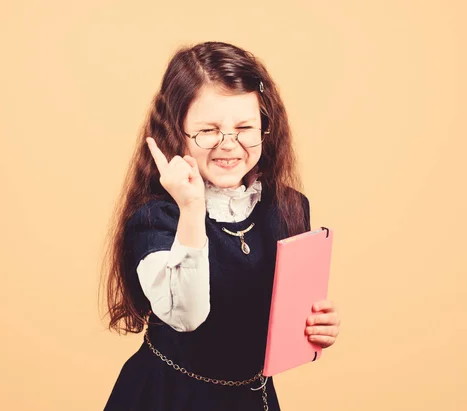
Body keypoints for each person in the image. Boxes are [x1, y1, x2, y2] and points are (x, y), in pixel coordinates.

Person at [101, 41, 341, 411]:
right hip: (167, 397)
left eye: (245, 127)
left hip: (250, 398)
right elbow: (186, 316)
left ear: (265, 128)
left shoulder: (289, 207)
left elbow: (276, 320)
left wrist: (315, 327)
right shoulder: (153, 219)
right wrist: (192, 208)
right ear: (174, 131)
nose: (229, 145)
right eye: (208, 131)